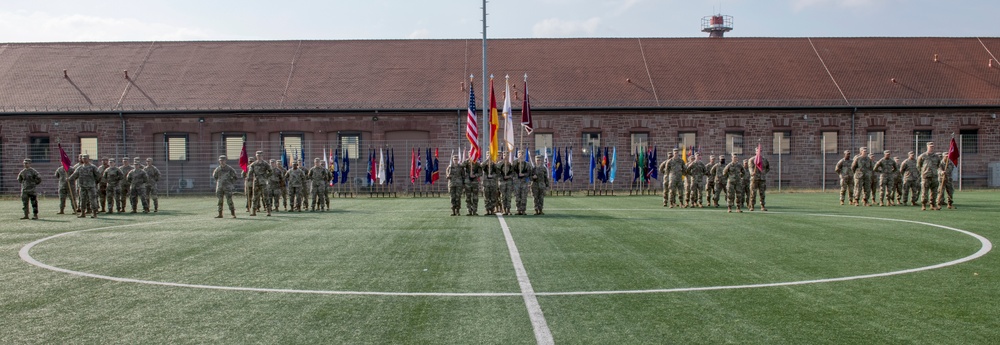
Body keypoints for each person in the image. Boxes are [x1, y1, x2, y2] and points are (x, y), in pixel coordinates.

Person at [69, 154, 101, 218]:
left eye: (85, 158)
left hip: (91, 186)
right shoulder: (80, 167)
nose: (84, 159)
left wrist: (95, 183)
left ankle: (94, 213)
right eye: (83, 158)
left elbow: (98, 176)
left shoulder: (93, 167)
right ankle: (83, 213)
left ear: (88, 159)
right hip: (82, 186)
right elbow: (75, 175)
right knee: (82, 200)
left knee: (92, 200)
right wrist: (69, 178)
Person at [916, 142, 941, 211]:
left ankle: (933, 205)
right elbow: (919, 166)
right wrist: (923, 172)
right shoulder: (922, 156)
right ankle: (924, 205)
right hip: (926, 176)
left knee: (934, 191)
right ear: (927, 147)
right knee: (924, 191)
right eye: (930, 146)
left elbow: (938, 165)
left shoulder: (937, 157)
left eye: (932, 146)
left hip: (934, 176)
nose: (931, 148)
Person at [249, 152, 273, 216]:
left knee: (266, 197)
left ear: (262, 156)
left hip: (263, 182)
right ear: (256, 156)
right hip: (256, 182)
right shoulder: (253, 164)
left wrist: (265, 176)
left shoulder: (265, 164)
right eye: (258, 156)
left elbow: (271, 171)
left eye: (260, 156)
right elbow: (250, 172)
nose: (259, 157)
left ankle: (268, 211)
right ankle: (254, 211)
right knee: (255, 197)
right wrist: (249, 177)